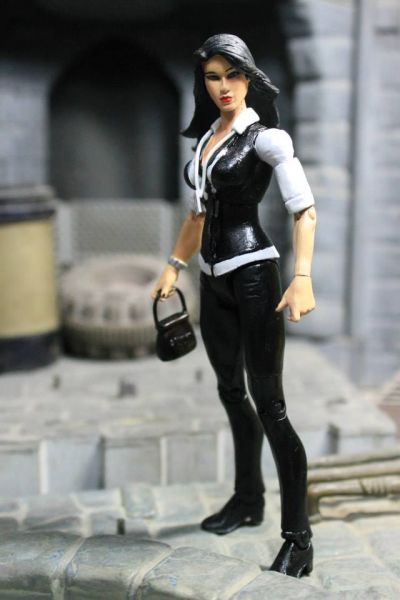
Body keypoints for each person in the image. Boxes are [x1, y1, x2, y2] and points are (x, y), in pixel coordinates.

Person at [152, 33, 317, 578]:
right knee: (229, 391)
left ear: (249, 77)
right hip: (211, 279)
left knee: (271, 406)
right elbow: (197, 216)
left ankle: (298, 538)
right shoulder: (206, 140)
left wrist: (302, 277)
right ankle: (248, 499)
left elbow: (304, 210)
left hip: (253, 276)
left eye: (233, 75)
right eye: (212, 77)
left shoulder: (267, 139)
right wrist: (174, 265)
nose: (223, 86)